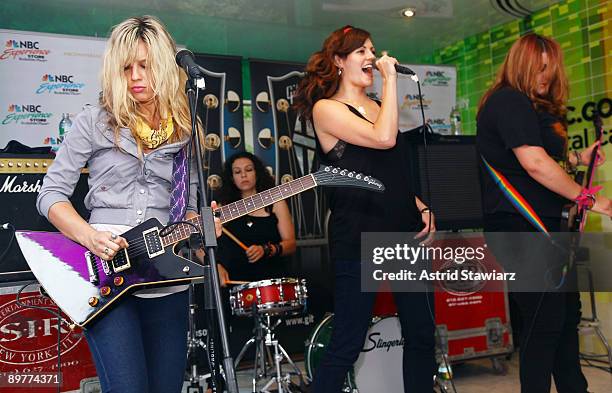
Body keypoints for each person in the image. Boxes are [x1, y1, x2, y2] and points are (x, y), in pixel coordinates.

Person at [36, 16, 221, 393]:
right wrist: (89, 236)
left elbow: (190, 207)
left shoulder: (187, 129)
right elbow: (50, 194)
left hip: (167, 277)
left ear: (166, 68)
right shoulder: (95, 120)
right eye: (126, 68)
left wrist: (200, 226)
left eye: (145, 66)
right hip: (105, 274)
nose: (135, 76)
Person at [294, 25, 437, 392]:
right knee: (348, 341)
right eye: (360, 51)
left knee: (421, 331)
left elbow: (391, 170)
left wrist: (420, 206)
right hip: (359, 235)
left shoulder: (379, 106)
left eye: (372, 49)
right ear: (339, 61)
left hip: (403, 232)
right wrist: (390, 81)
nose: (371, 57)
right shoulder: (326, 109)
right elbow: (383, 138)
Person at [476, 33, 612, 393]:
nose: (547, 78)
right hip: (520, 229)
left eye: (550, 71)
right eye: (541, 70)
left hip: (545, 230)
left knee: (565, 318)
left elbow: (536, 158)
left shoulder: (526, 106)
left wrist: (574, 160)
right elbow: (534, 164)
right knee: (545, 322)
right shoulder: (508, 101)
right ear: (524, 65)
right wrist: (590, 199)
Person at [216, 151, 296, 284]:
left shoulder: (275, 202)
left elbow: (291, 244)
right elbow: (201, 245)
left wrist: (266, 249)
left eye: (249, 169)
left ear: (257, 173)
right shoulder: (224, 207)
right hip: (236, 281)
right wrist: (217, 267)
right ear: (231, 178)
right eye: (237, 172)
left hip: (272, 281)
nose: (243, 175)